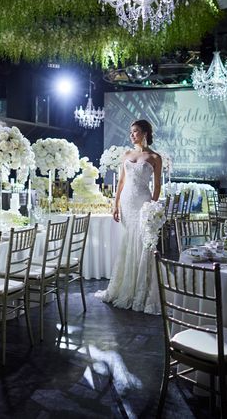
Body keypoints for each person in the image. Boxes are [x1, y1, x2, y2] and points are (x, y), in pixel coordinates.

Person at [95, 119, 163, 313]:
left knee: (143, 242)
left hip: (143, 203)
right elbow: (121, 182)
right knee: (128, 241)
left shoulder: (154, 157)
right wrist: (115, 204)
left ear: (145, 133)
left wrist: (151, 207)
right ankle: (125, 286)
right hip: (126, 203)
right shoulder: (126, 155)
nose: (132, 135)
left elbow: (157, 185)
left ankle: (143, 289)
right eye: (131, 131)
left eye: (135, 131)